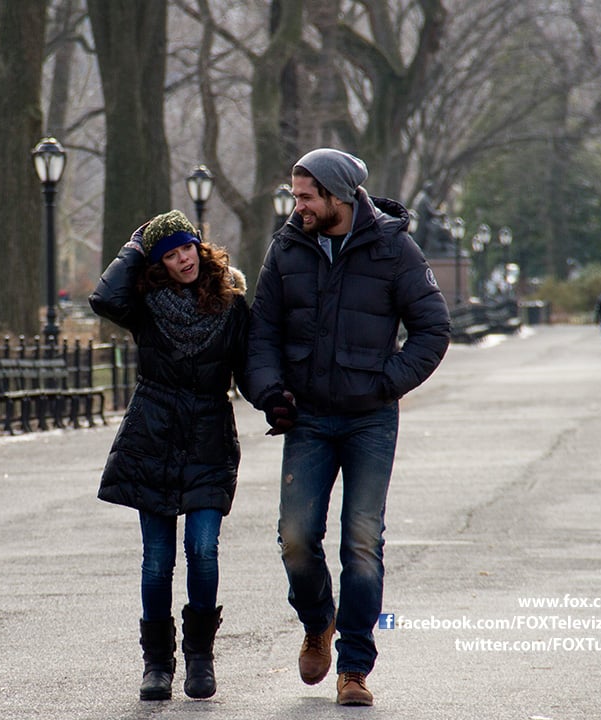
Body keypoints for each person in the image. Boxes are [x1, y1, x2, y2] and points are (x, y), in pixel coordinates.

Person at [246, 148, 450, 706]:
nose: (298, 206)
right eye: (295, 195)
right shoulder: (287, 247)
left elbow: (432, 330)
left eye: (307, 196)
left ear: (338, 196)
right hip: (306, 417)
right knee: (295, 539)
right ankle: (318, 625)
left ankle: (355, 668)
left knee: (362, 543)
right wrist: (270, 393)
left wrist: (387, 382)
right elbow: (260, 332)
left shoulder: (394, 249)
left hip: (369, 419)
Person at [88, 209, 252, 701]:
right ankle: (157, 663)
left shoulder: (233, 305)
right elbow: (103, 298)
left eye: (187, 249)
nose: (183, 260)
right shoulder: (145, 304)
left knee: (202, 549)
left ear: (200, 249)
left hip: (208, 436)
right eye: (170, 254)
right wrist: (134, 247)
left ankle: (200, 656)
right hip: (153, 437)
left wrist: (279, 402)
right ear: (158, 263)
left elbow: (253, 366)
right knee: (157, 560)